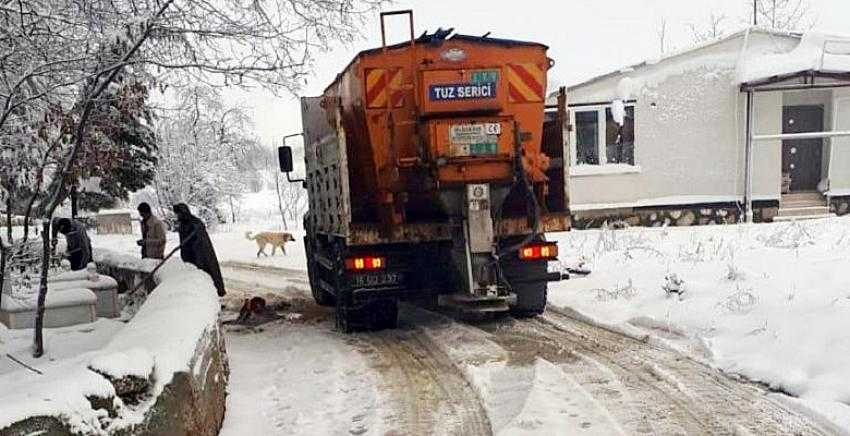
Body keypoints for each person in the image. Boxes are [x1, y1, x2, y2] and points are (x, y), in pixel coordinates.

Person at [172, 203, 226, 296]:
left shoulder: (195, 223)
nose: (177, 216)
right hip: (189, 255)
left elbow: (201, 243)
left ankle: (212, 296)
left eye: (178, 213)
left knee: (208, 276)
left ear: (183, 212)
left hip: (201, 256)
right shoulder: (183, 224)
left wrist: (199, 260)